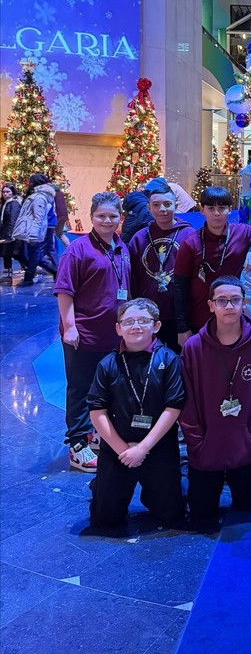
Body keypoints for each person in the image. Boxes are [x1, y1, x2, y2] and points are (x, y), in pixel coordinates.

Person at [180, 275, 251, 530]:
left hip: (245, 447)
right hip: (206, 448)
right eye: (222, 301)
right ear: (211, 305)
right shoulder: (193, 347)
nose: (229, 307)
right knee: (200, 514)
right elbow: (185, 400)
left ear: (244, 304)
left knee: (249, 507)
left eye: (235, 300)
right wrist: (196, 441)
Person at [87, 298, 186, 532]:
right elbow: (97, 411)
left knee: (171, 514)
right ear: (118, 328)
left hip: (158, 446)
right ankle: (99, 485)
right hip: (118, 447)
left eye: (143, 321)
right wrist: (124, 450)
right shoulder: (107, 364)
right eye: (128, 321)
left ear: (157, 326)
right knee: (106, 518)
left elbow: (173, 408)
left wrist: (142, 449)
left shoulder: (169, 360)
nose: (136, 327)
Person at [54, 191, 129, 471]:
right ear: (91, 217)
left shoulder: (122, 247)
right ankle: (77, 445)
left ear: (120, 218)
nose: (107, 221)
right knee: (80, 389)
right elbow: (64, 290)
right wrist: (70, 327)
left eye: (112, 216)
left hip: (113, 334)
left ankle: (95, 434)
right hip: (84, 334)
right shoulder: (78, 249)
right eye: (101, 216)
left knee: (105, 388)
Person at [173, 185, 251, 345]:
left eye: (222, 208)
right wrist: (182, 328)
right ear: (202, 210)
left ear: (230, 210)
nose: (216, 213)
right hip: (200, 321)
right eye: (210, 208)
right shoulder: (190, 243)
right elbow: (180, 287)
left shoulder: (243, 232)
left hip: (237, 320)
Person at [128, 180, 195, 352]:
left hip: (180, 315)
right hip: (147, 314)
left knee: (179, 364)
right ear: (149, 208)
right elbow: (132, 276)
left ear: (176, 205)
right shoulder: (139, 238)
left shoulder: (189, 235)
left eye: (167, 204)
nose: (162, 209)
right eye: (156, 205)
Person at [0, 182, 22, 282]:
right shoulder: (6, 203)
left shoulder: (14, 204)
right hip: (5, 232)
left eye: (7, 192)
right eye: (3, 192)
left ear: (12, 192)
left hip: (12, 233)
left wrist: (9, 234)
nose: (5, 194)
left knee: (16, 254)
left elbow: (13, 219)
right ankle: (7, 273)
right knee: (6, 253)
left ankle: (31, 269)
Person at [52, 184, 71, 249]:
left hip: (57, 215)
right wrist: (67, 218)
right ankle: (68, 247)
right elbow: (64, 206)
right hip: (63, 215)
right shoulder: (60, 194)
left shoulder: (53, 194)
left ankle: (52, 250)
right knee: (60, 233)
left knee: (51, 233)